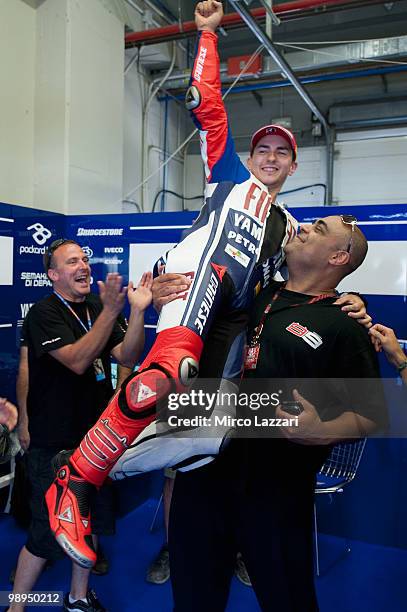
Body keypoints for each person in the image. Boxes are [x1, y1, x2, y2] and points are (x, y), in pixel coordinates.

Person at [45, 0, 369, 570]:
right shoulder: (229, 177)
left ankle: (92, 470)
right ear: (250, 157)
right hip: (193, 288)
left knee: (202, 436)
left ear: (294, 167)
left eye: (282, 153)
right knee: (172, 376)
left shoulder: (295, 229)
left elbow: (296, 288)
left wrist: (348, 300)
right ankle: (73, 482)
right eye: (263, 149)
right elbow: (207, 104)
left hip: (231, 328)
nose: (271, 158)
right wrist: (208, 34)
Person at [165, 214, 387, 612]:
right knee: (193, 594)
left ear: (338, 256)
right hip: (202, 473)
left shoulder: (345, 324)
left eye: (318, 229)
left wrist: (321, 428)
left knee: (287, 597)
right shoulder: (250, 292)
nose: (303, 228)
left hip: (276, 489)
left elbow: (371, 416)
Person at [7, 238, 152, 612]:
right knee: (46, 531)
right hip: (53, 441)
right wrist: (110, 312)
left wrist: (135, 313)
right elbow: (76, 360)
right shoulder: (43, 313)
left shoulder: (96, 308)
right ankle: (18, 606)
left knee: (84, 525)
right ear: (54, 275)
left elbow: (129, 354)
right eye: (72, 262)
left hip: (96, 438)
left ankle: (77, 598)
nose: (84, 266)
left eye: (85, 259)